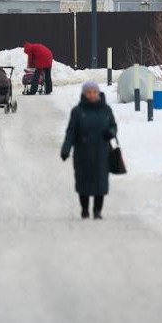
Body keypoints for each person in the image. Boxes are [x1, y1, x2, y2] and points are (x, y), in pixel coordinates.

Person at [61, 81, 117, 220]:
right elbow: (71, 132)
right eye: (89, 92)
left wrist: (111, 132)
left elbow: (113, 126)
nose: (92, 95)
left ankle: (97, 211)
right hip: (82, 153)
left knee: (101, 182)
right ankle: (85, 209)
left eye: (94, 92)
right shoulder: (77, 111)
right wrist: (66, 149)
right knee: (83, 182)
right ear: (84, 94)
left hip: (102, 152)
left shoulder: (106, 110)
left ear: (98, 93)